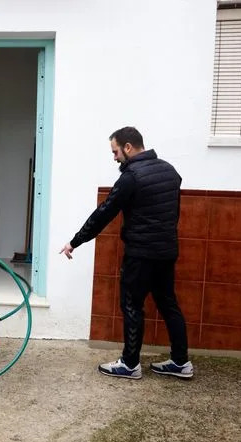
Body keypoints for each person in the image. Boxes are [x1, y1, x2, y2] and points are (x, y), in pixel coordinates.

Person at [60, 127, 193, 379]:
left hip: (141, 254)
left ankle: (130, 364)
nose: (114, 157)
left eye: (115, 151)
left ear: (128, 147)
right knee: (168, 304)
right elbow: (173, 214)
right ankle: (180, 362)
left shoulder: (131, 176)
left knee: (132, 305)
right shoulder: (170, 171)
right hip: (166, 251)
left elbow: (104, 213)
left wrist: (75, 241)